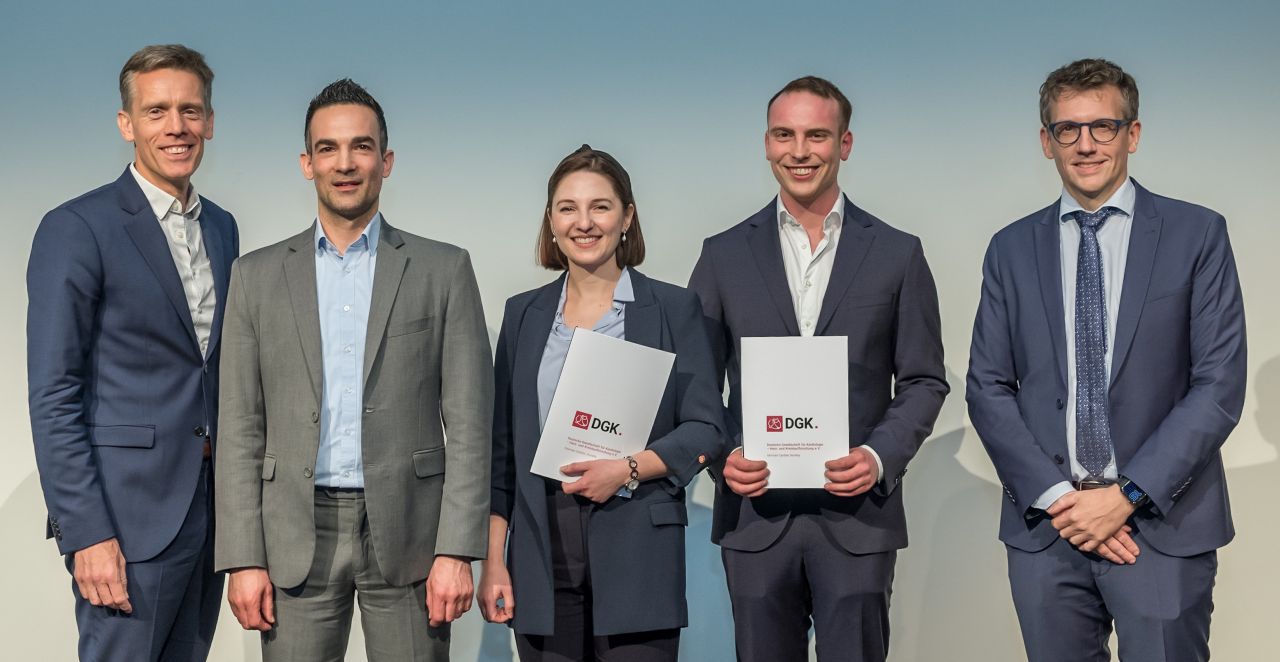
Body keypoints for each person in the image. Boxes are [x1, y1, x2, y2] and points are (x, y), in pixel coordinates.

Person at [966, 58, 1246, 662]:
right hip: (1049, 529)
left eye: (1104, 127)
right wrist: (1059, 499)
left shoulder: (1197, 234)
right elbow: (987, 386)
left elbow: (1218, 385)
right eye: (1068, 129)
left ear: (1133, 135)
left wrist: (1126, 496)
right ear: (1047, 142)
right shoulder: (1011, 249)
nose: (1086, 144)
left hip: (1160, 529)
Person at [213, 79, 493, 661]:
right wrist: (243, 557)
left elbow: (469, 424)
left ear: (385, 161)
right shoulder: (255, 276)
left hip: (412, 537)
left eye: (361, 147)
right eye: (328, 148)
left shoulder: (443, 270)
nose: (345, 164)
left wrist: (457, 549)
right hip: (293, 532)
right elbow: (240, 426)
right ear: (306, 162)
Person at [688, 76, 948, 662]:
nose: (799, 151)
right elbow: (695, 383)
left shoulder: (898, 253)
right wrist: (725, 455)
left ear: (845, 144)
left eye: (816, 135)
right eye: (785, 134)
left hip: (857, 518)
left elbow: (924, 380)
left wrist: (879, 458)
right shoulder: (722, 254)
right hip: (754, 517)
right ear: (766, 143)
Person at [27, 44, 236, 661]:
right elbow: (53, 391)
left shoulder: (221, 227)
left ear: (210, 122)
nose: (177, 126)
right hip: (126, 519)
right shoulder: (77, 227)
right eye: (157, 111)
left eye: (191, 110)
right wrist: (86, 532)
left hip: (209, 509)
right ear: (127, 124)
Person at [478, 145, 726, 661]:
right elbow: (502, 455)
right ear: (550, 221)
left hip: (639, 548)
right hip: (542, 553)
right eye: (568, 208)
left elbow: (706, 428)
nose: (584, 222)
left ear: (627, 216)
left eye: (601, 206)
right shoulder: (522, 316)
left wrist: (627, 468)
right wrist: (494, 561)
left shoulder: (674, 308)